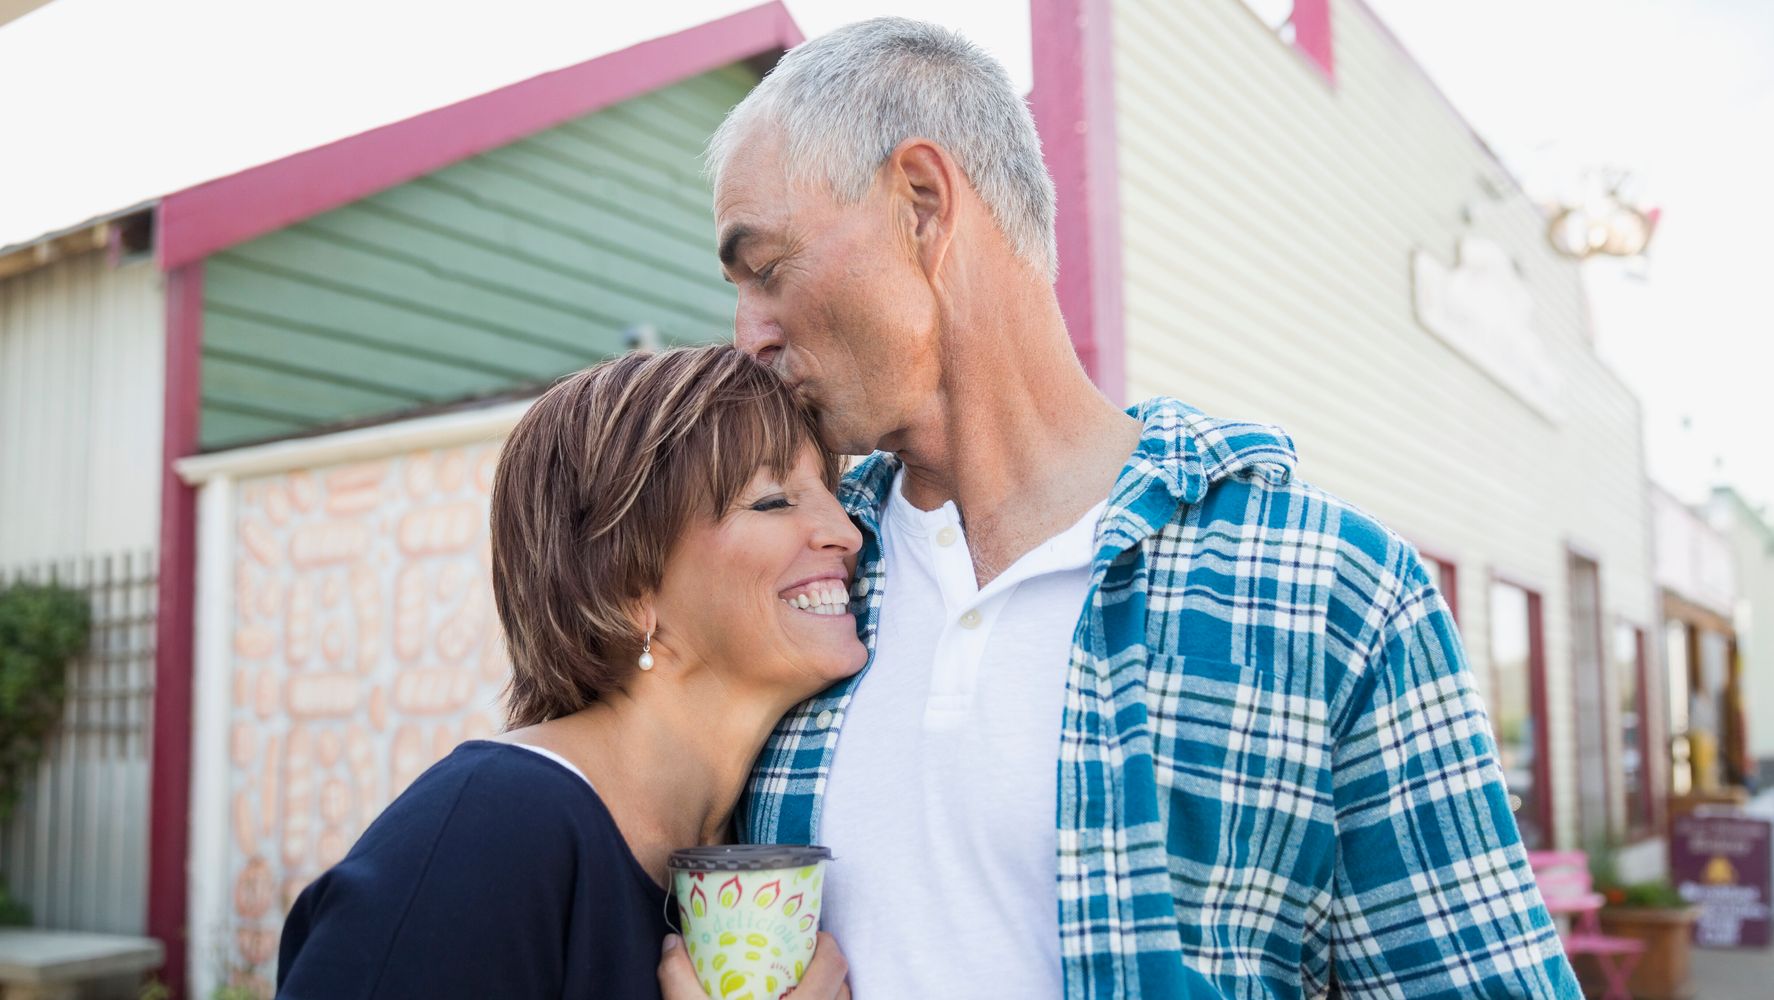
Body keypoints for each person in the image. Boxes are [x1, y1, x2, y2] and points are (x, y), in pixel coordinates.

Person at [706, 17, 1583, 999]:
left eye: (767, 265)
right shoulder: (788, 574)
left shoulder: (1327, 590)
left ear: (920, 203)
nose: (748, 333)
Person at [276, 345, 855, 999]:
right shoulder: (488, 833)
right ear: (628, 583)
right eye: (775, 500)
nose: (845, 531)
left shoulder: (743, 845)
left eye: (829, 494)